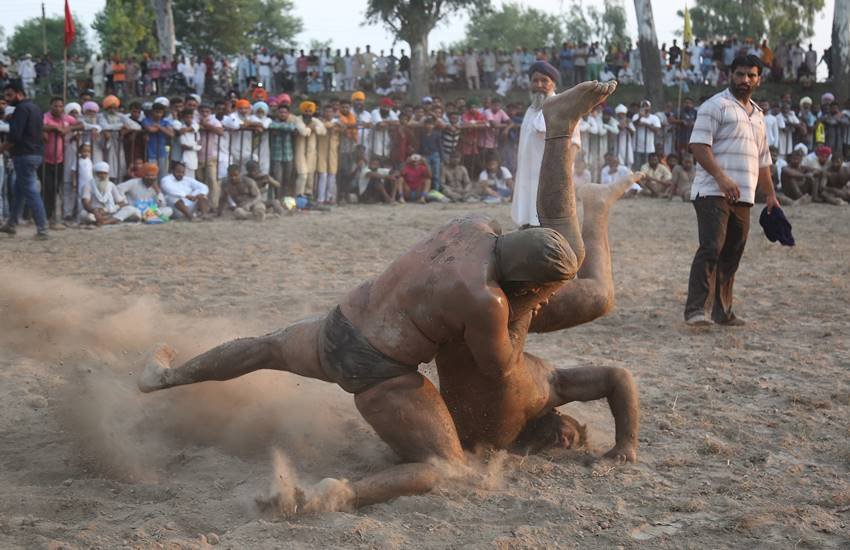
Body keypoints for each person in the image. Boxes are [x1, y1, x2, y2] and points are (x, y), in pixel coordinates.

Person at [139, 82, 637, 513]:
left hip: (341, 324)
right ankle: (337, 494)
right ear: (522, 284)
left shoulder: (470, 226)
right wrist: (530, 305)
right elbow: (498, 365)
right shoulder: (488, 301)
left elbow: (546, 240)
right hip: (379, 371)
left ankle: (167, 376)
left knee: (264, 348)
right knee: (443, 466)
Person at [685, 55, 780, 327]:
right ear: (730, 75)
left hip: (745, 195)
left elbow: (763, 160)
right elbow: (699, 146)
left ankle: (722, 311)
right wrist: (721, 178)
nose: (745, 80)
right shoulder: (715, 106)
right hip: (712, 191)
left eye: (751, 75)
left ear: (758, 79)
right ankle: (695, 311)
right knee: (711, 248)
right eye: (740, 74)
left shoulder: (759, 116)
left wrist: (770, 194)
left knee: (733, 253)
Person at [511, 61, 581, 228]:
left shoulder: (563, 108)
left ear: (553, 83)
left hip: (550, 176)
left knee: (550, 222)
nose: (539, 85)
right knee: (527, 218)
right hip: (527, 174)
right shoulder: (531, 110)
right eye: (535, 81)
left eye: (544, 81)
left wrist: (563, 173)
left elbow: (575, 144)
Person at [0, 81, 49, 239]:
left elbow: (15, 136)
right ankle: (12, 224)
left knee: (29, 190)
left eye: (10, 95)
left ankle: (42, 228)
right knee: (19, 189)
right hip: (35, 153)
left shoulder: (21, 109)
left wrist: (1, 148)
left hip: (24, 155)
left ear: (19, 93)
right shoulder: (35, 108)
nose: (7, 99)